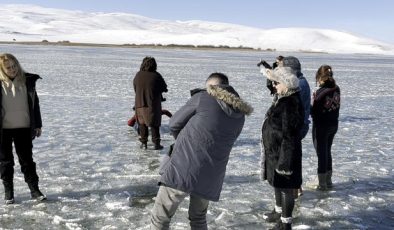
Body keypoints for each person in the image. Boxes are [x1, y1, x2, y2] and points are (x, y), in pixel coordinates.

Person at [150, 73, 253, 230]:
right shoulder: (239, 113)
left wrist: (184, 142)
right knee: (198, 218)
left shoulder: (203, 97)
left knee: (160, 217)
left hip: (183, 168)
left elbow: (173, 123)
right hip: (211, 175)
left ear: (210, 86)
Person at [260, 67, 304, 230]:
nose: (274, 85)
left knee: (285, 188)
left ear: (287, 84)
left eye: (277, 82)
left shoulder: (290, 103)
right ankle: (278, 213)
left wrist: (285, 163)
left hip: (285, 155)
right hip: (275, 152)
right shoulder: (283, 98)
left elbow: (290, 135)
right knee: (277, 184)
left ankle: (286, 224)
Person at [0, 53, 46, 204]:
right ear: (2, 69)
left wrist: (38, 124)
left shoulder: (27, 80)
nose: (12, 69)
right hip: (3, 130)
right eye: (8, 68)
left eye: (14, 66)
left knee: (27, 161)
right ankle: (9, 192)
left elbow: (35, 104)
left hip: (24, 128)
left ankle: (34, 190)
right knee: (5, 162)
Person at [281, 56, 311, 197]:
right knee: (294, 156)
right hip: (299, 125)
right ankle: (296, 187)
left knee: (292, 157)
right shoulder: (301, 81)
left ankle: (293, 189)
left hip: (297, 127)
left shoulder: (299, 84)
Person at [311, 65, 340, 190]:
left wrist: (312, 99)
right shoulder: (336, 88)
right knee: (327, 151)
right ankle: (328, 180)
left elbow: (314, 111)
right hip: (333, 124)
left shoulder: (320, 92)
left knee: (321, 153)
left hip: (321, 127)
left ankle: (322, 183)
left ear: (320, 77)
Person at [133, 56, 168, 150]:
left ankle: (144, 143)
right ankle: (156, 144)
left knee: (142, 124)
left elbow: (135, 88)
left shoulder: (138, 75)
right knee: (154, 124)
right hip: (152, 104)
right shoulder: (156, 75)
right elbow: (164, 88)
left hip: (139, 104)